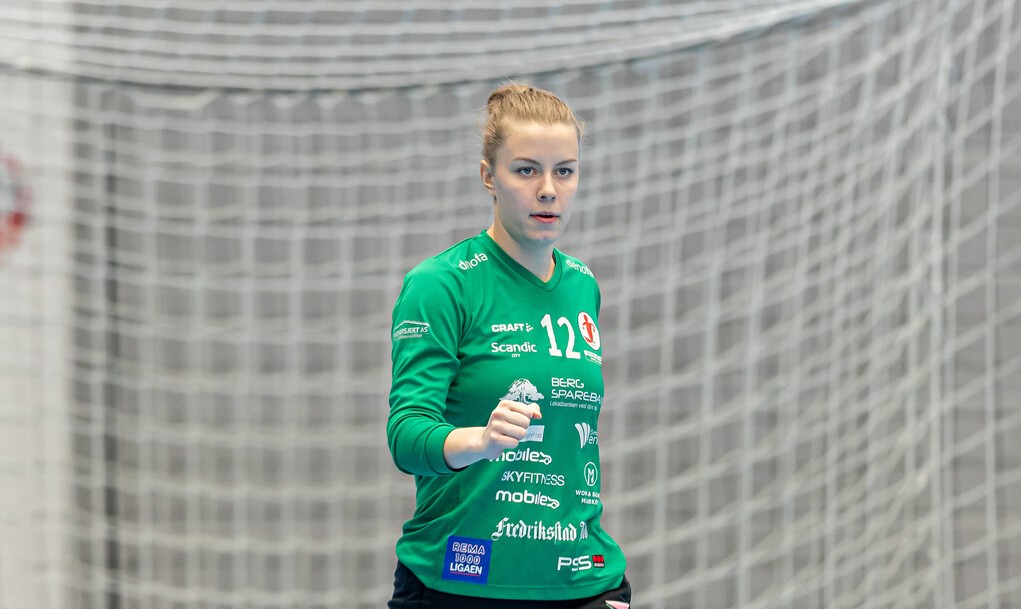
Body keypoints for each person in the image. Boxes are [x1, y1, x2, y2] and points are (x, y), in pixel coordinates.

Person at [386, 83, 631, 609]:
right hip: (461, 580)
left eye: (564, 171)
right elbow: (406, 437)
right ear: (488, 177)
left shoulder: (582, 285)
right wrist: (479, 440)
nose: (548, 190)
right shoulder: (442, 284)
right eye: (526, 170)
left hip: (582, 578)